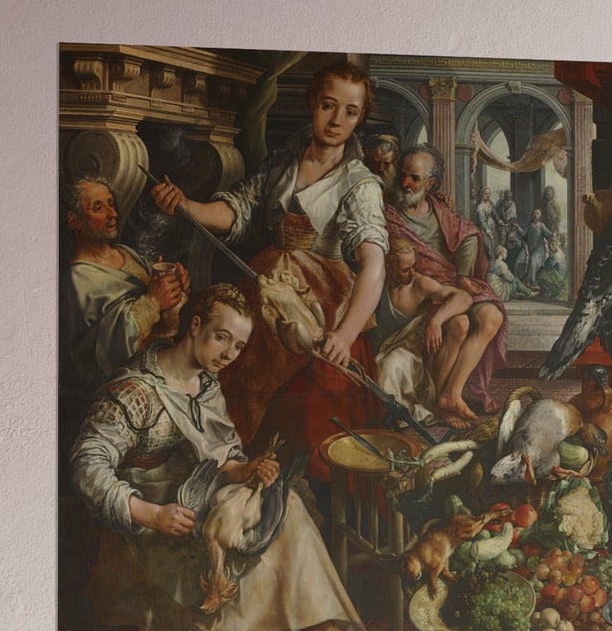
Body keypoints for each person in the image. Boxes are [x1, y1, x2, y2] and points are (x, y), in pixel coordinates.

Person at [70, 284, 372, 631]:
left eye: (239, 346)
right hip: (147, 518)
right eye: (221, 338)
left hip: (195, 495)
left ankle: (316, 625)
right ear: (195, 325)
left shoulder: (207, 385)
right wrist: (151, 514)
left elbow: (221, 457)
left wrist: (248, 468)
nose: (229, 353)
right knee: (221, 546)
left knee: (284, 504)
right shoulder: (136, 390)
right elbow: (86, 465)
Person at [150, 61, 388, 464]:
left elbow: (374, 265)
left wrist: (344, 336)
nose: (336, 120)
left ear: (360, 116)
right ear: (313, 104)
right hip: (264, 292)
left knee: (307, 416)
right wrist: (186, 206)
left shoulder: (360, 184)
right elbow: (239, 209)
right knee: (233, 376)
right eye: (329, 105)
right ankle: (226, 466)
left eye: (350, 112)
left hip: (323, 311)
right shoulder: (284, 161)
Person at [381, 144, 506, 423]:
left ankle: (451, 393)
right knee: (458, 323)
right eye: (403, 175)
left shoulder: (439, 209)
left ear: (431, 183)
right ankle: (441, 398)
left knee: (491, 316)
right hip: (419, 292)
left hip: (451, 285)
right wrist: (437, 316)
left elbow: (469, 234)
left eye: (415, 178)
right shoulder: (388, 216)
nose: (405, 183)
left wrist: (463, 274)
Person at [61, 178, 188, 399]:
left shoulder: (126, 252)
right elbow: (95, 357)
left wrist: (177, 284)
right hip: (124, 392)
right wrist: (153, 302)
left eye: (111, 203)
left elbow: (160, 297)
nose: (113, 214)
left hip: (165, 370)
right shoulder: (78, 279)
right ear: (74, 221)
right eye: (98, 207)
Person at [374, 239, 475, 424]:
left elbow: (465, 297)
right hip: (382, 347)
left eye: (414, 266)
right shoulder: (378, 284)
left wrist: (437, 320)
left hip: (413, 352)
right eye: (406, 270)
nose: (412, 273)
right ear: (389, 267)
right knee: (389, 363)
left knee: (461, 322)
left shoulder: (420, 285)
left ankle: (434, 404)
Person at [535, 231, 568, 300]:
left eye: (550, 246)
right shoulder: (559, 250)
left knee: (540, 274)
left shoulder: (557, 255)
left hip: (559, 279)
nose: (550, 248)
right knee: (542, 271)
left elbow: (547, 265)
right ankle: (547, 290)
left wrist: (548, 256)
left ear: (554, 245)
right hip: (559, 275)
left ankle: (548, 291)